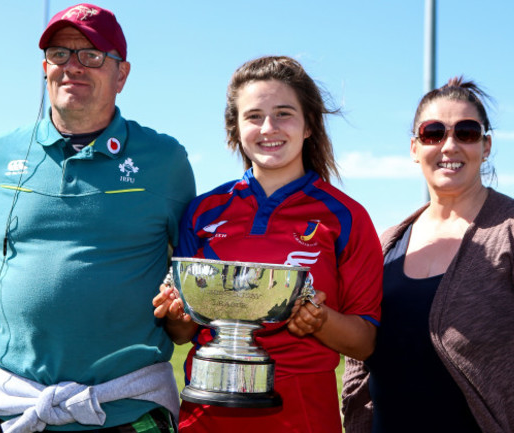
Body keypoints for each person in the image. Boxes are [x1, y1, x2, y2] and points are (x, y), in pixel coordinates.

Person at [0, 4, 195, 432]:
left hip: (128, 407)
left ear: (121, 74)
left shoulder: (166, 161)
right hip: (15, 406)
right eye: (60, 54)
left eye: (92, 55)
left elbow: (188, 270)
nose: (73, 67)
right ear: (44, 67)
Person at [341, 77, 514, 433]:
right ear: (414, 148)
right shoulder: (386, 243)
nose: (449, 145)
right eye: (433, 133)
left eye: (467, 132)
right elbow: (359, 366)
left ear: (486, 146)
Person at [152, 55, 383, 433]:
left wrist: (320, 321)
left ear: (309, 125)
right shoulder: (202, 212)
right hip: (206, 414)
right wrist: (177, 314)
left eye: (284, 114)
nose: (269, 127)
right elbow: (183, 335)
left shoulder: (345, 217)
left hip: (303, 416)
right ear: (235, 128)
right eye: (254, 116)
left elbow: (364, 342)